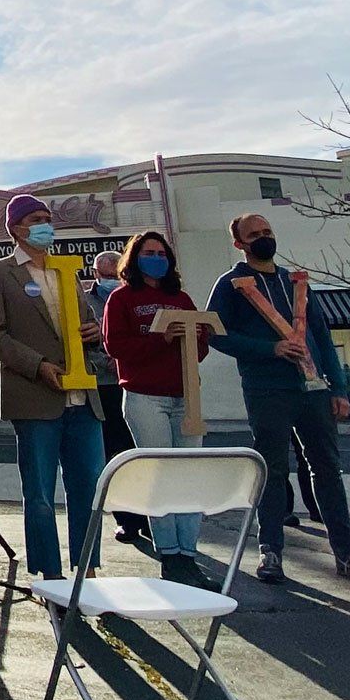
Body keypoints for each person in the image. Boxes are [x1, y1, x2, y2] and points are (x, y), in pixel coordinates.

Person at [207, 213, 350, 586]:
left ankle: (348, 552)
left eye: (268, 231)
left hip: (314, 388)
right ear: (239, 244)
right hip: (267, 389)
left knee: (327, 468)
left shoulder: (296, 281)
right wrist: (268, 349)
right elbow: (214, 333)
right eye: (254, 234)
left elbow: (322, 336)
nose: (263, 238)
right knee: (272, 469)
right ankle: (271, 550)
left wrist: (338, 387)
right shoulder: (231, 284)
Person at [0, 195, 105, 581]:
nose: (46, 224)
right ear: (16, 227)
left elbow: (87, 322)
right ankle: (50, 575)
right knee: (41, 495)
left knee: (89, 490)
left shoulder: (68, 272)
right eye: (36, 218)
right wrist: (37, 366)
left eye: (49, 218)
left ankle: (88, 571)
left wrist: (94, 333)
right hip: (36, 398)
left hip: (83, 399)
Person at [100, 231, 214, 587]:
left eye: (162, 253)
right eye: (149, 253)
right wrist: (159, 339)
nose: (157, 258)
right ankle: (169, 554)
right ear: (134, 259)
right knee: (161, 473)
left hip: (186, 397)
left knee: (189, 474)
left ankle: (188, 553)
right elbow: (115, 346)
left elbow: (201, 347)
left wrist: (192, 340)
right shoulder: (121, 299)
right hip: (145, 397)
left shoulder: (181, 298)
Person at [87, 250, 147, 548]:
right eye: (106, 275)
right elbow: (80, 338)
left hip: (135, 384)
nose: (112, 280)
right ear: (96, 273)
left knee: (141, 454)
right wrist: (107, 358)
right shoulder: (85, 301)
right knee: (115, 456)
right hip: (103, 387)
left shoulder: (135, 298)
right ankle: (127, 520)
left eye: (116, 275)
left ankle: (152, 517)